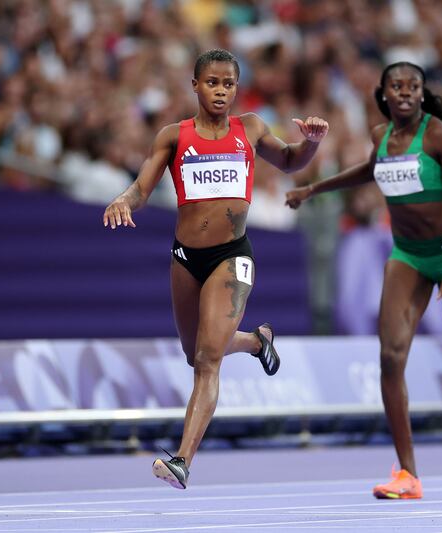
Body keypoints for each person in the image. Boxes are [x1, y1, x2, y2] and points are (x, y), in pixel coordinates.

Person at [286, 62, 442, 500]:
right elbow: (369, 169)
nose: (404, 93)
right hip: (408, 258)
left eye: (412, 87)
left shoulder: (438, 136)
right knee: (390, 357)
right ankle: (408, 474)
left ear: (421, 94)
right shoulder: (381, 136)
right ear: (383, 93)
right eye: (396, 86)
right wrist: (313, 190)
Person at [103, 49, 328, 490]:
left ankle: (182, 459)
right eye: (212, 82)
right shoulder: (173, 136)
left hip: (233, 256)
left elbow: (288, 161)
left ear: (235, 88)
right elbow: (142, 187)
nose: (221, 90)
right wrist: (122, 201)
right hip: (186, 259)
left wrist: (312, 143)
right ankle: (256, 340)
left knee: (207, 359)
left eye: (228, 83)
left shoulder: (250, 129)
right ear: (195, 85)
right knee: (195, 352)